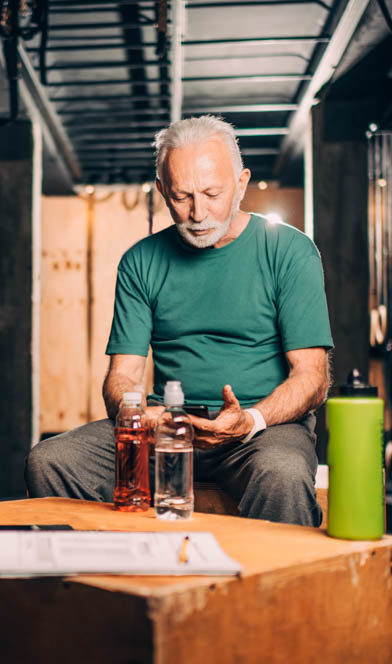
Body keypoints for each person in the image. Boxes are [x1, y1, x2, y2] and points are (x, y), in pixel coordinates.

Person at [26, 116, 332, 526]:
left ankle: (271, 590)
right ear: (162, 193)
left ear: (241, 183)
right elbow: (122, 376)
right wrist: (133, 414)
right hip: (164, 427)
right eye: (182, 196)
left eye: (212, 193)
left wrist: (250, 420)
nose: (198, 212)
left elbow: (312, 378)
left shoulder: (291, 252)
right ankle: (110, 582)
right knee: (50, 461)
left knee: (282, 474)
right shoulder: (140, 261)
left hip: (261, 430)